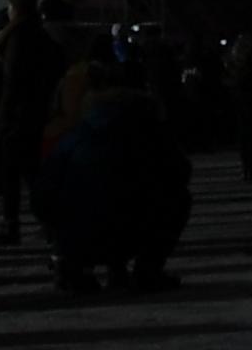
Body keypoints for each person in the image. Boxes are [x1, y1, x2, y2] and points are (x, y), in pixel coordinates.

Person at [35, 58, 188, 293]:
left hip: (80, 235)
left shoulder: (73, 138)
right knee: (179, 199)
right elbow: (181, 172)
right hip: (137, 229)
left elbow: (43, 194)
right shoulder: (153, 134)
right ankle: (146, 268)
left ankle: (72, 268)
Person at [0, 0, 66, 249]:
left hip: (18, 116)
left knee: (17, 175)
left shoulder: (17, 38)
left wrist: (4, 114)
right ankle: (48, 223)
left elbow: (13, 81)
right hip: (35, 112)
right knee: (31, 174)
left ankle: (18, 225)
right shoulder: (41, 37)